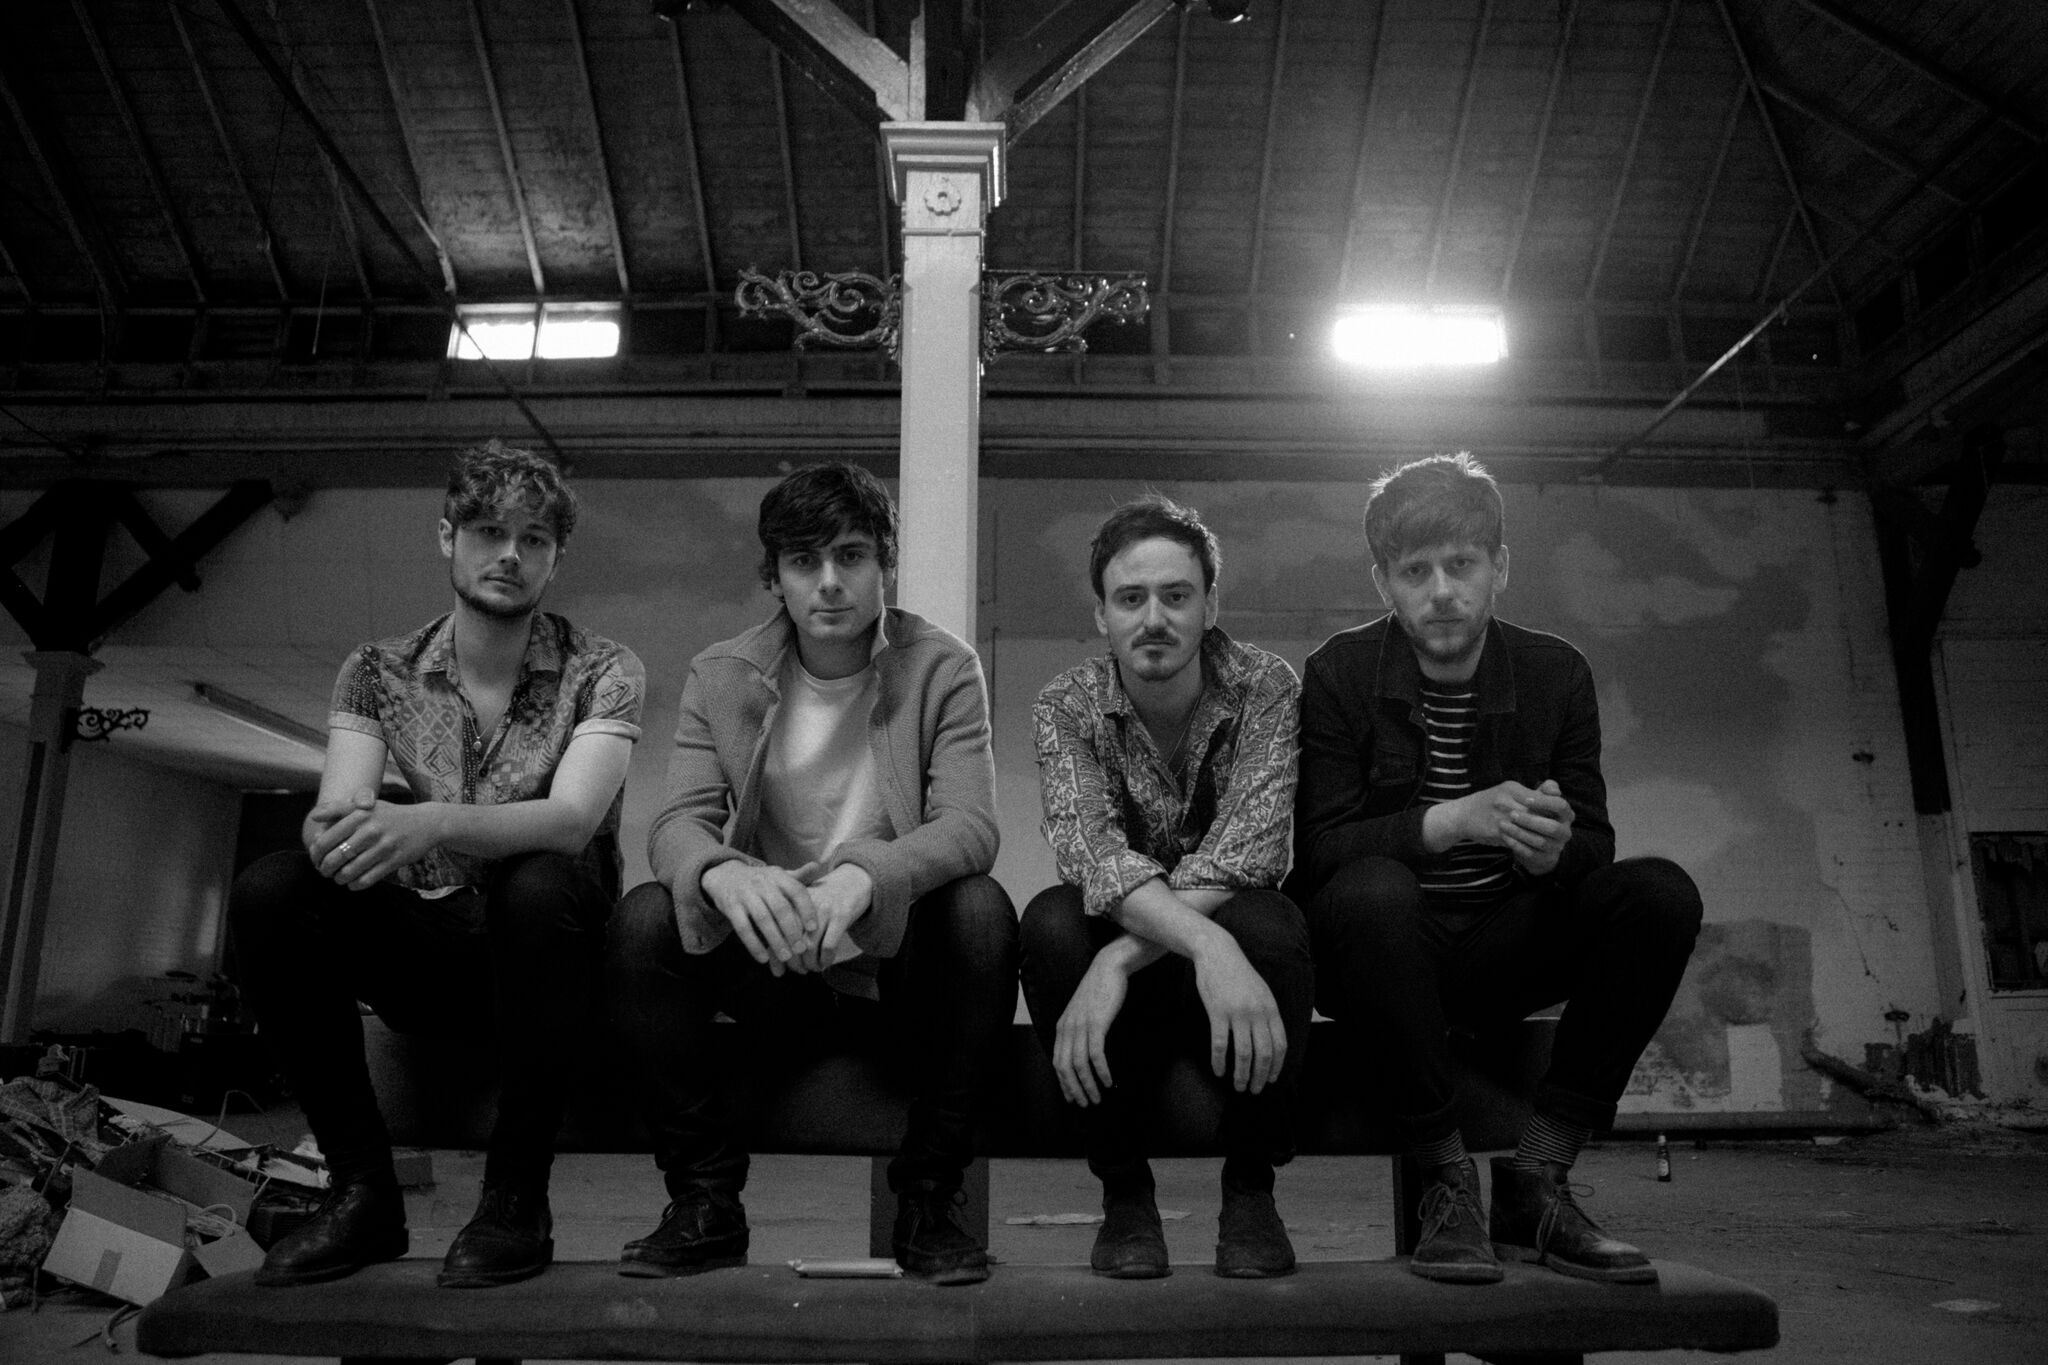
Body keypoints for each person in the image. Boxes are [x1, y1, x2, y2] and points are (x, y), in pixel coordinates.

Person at [231, 440, 644, 1289]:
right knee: (275, 889)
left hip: (560, 964)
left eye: (534, 539)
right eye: (489, 531)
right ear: (448, 536)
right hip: (441, 953)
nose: (510, 554)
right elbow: (341, 820)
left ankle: (515, 1201)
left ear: (556, 557)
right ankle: (362, 1194)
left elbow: (571, 821)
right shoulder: (376, 670)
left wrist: (428, 824)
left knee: (539, 878)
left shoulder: (605, 667)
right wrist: (333, 835)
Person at [1292, 452, 1702, 1286]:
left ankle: (1537, 1178)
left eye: (1462, 564)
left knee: (1659, 894)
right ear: (1383, 583)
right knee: (1372, 889)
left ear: (1500, 566)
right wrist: (1449, 820)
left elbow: (1594, 845)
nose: (1442, 590)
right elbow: (1318, 852)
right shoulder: (1338, 673)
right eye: (1416, 571)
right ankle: (1448, 1183)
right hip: (1375, 957)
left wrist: (1555, 849)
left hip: (1501, 944)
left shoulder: (1557, 673)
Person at [609, 462, 1017, 1285]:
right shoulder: (721, 673)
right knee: (647, 917)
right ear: (776, 576)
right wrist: (722, 873)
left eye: (851, 555)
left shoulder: (942, 666)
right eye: (804, 560)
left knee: (981, 910)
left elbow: (972, 826)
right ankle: (705, 1202)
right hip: (776, 970)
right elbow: (677, 823)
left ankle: (928, 1200)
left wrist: (865, 876)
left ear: (884, 563)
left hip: (894, 971)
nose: (829, 581)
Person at [1021, 494, 1312, 1281]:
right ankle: (1125, 1196)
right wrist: (1202, 940)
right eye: (1131, 598)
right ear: (1101, 614)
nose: (1154, 618)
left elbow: (1252, 846)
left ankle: (1251, 1193)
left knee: (1272, 920)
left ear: (1210, 605)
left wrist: (1121, 958)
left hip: (1232, 981)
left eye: (1176, 595)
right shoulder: (1066, 704)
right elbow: (1092, 855)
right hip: (1139, 1006)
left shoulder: (1264, 684)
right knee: (1051, 923)